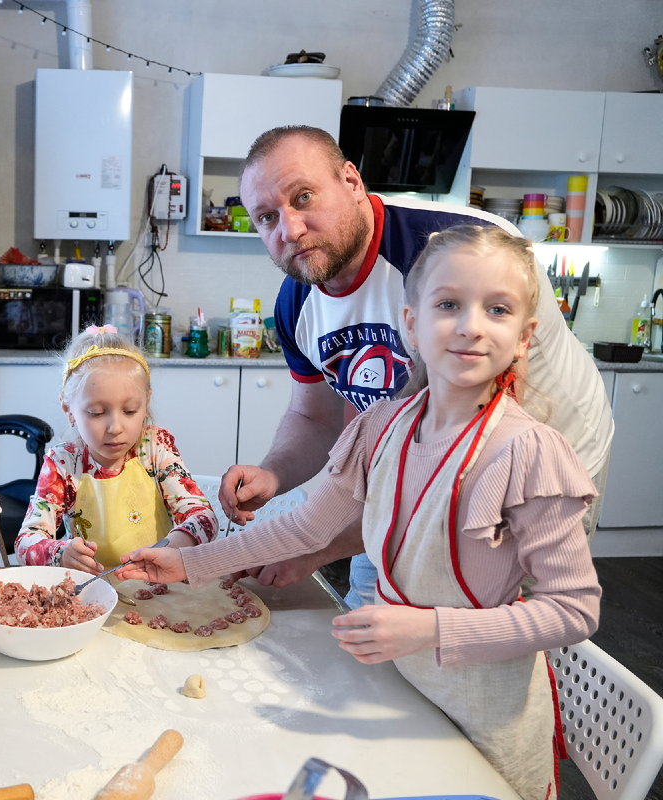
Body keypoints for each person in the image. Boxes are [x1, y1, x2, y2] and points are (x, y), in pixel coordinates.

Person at [120, 225, 601, 800]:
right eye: (449, 304)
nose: (471, 325)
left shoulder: (527, 452)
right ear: (412, 325)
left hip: (483, 723)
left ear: (524, 338)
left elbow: (574, 612)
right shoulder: (384, 427)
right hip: (398, 691)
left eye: (497, 309)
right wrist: (191, 564)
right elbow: (306, 526)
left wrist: (428, 629)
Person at [219, 125, 612, 608]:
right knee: (376, 608)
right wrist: (273, 474)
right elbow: (315, 418)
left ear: (351, 181)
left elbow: (462, 462)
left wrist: (316, 548)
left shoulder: (468, 251)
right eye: (266, 217)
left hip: (527, 470)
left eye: (304, 197)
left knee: (485, 629)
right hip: (414, 469)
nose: (290, 229)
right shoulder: (296, 300)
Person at [15, 325, 218, 574]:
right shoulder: (63, 463)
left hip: (159, 587)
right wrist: (61, 554)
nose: (116, 427)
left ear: (146, 403)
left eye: (130, 411)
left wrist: (177, 544)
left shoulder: (156, 449)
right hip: (94, 594)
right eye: (97, 413)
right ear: (68, 409)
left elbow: (204, 517)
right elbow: (25, 544)